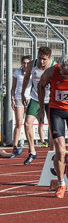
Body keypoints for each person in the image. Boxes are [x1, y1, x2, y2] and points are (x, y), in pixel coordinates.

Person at [37, 56, 68, 198]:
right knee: (60, 150)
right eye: (63, 72)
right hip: (56, 111)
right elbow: (40, 86)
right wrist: (42, 108)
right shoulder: (51, 72)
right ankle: (61, 183)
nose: (64, 75)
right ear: (59, 66)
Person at [21, 47, 53, 165]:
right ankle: (32, 151)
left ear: (49, 58)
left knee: (52, 127)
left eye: (44, 59)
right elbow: (26, 79)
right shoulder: (32, 64)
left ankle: (52, 153)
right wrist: (23, 93)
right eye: (39, 58)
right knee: (27, 123)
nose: (41, 61)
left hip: (50, 99)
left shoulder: (54, 66)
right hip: (35, 98)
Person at [11, 56, 32, 156]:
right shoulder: (17, 73)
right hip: (19, 98)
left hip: (30, 99)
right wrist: (12, 99)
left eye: (27, 63)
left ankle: (30, 147)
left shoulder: (32, 73)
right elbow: (13, 88)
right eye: (24, 63)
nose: (25, 65)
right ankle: (14, 146)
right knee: (19, 123)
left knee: (28, 124)